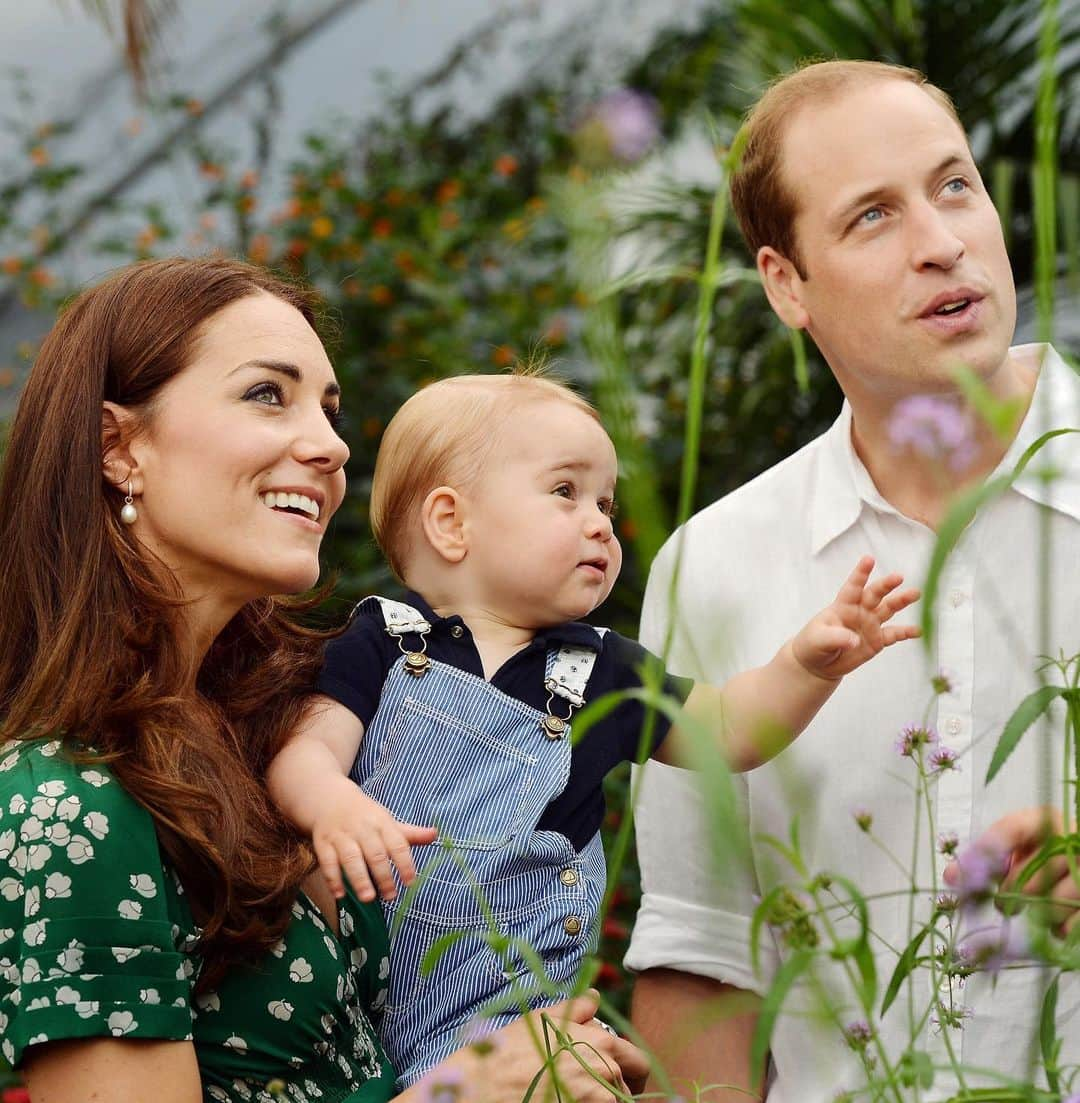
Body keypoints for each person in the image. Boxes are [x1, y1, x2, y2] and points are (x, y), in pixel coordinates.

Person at [0, 256, 649, 1103]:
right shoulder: (65, 798)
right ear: (119, 447)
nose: (332, 445)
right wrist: (470, 1087)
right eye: (268, 393)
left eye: (330, 410)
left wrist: (556, 1055)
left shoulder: (288, 729)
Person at [625, 59, 1080, 1101]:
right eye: (874, 216)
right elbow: (702, 953)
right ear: (788, 284)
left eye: (954, 184)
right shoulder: (715, 564)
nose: (941, 241)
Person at [265, 369, 921, 1088]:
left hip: (517, 1021)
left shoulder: (601, 669)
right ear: (452, 522)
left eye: (606, 501)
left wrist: (806, 664)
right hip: (358, 1007)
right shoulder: (382, 644)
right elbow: (305, 753)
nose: (601, 521)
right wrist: (333, 803)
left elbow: (730, 729)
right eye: (565, 492)